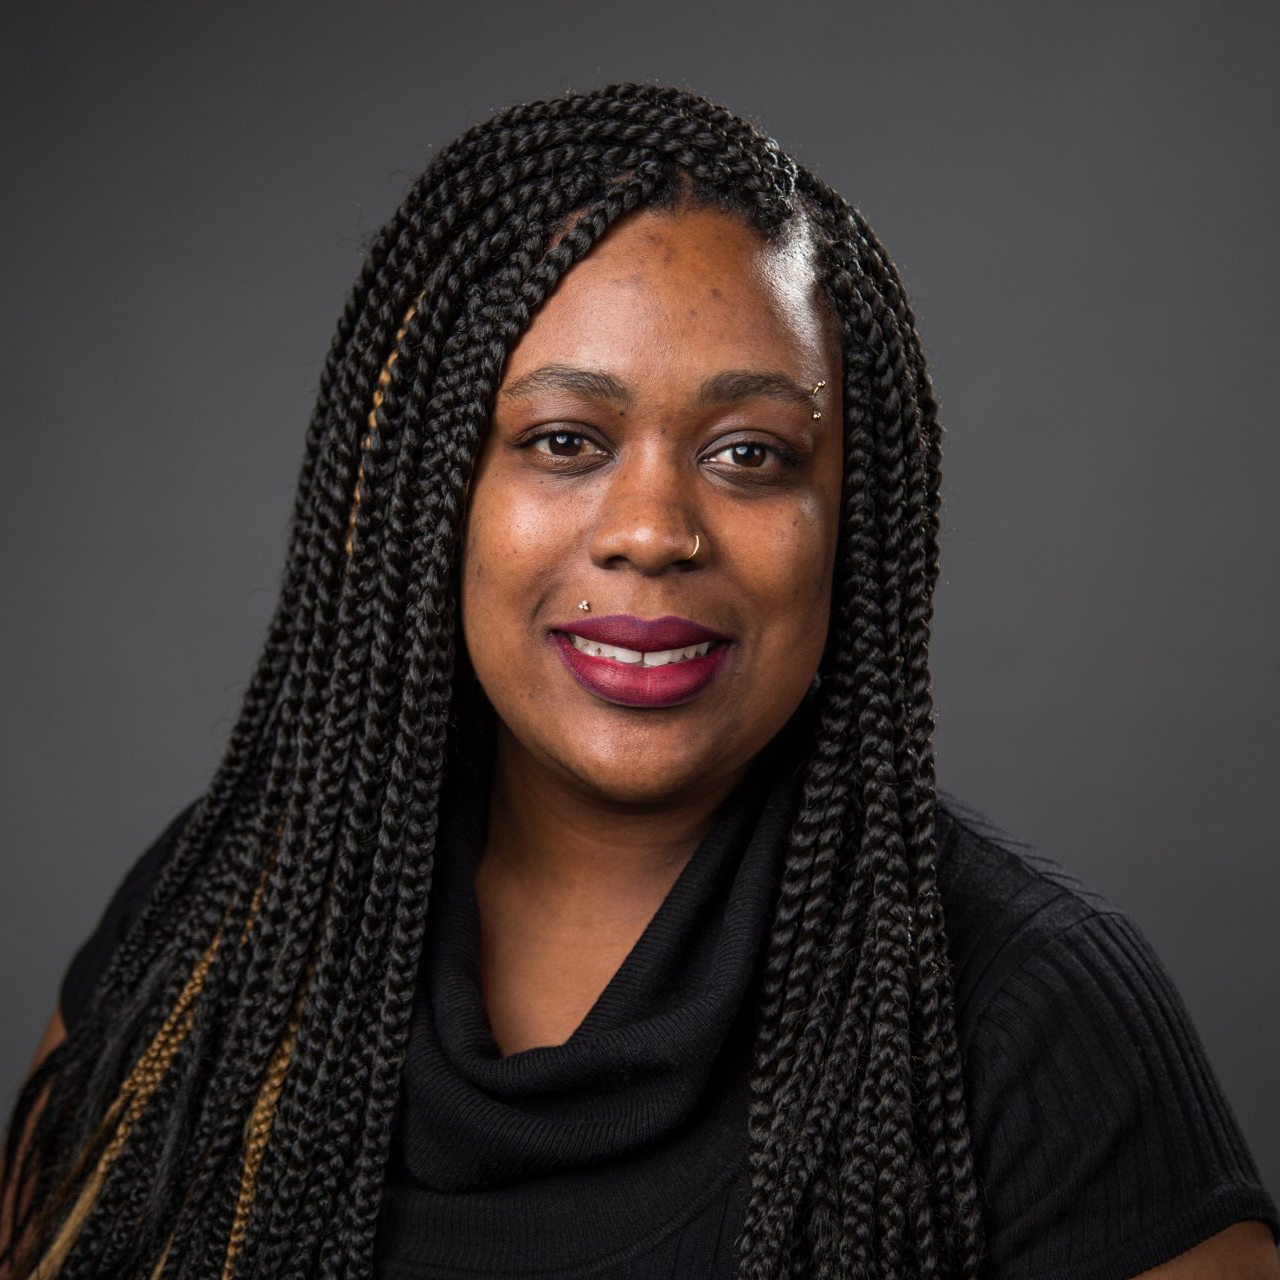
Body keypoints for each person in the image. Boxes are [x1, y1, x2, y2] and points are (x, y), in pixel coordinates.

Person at [1, 83, 1275, 1280]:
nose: (654, 529)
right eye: (563, 439)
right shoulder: (220, 921)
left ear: (851, 521)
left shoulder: (1036, 1014)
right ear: (426, 495)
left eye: (749, 453)